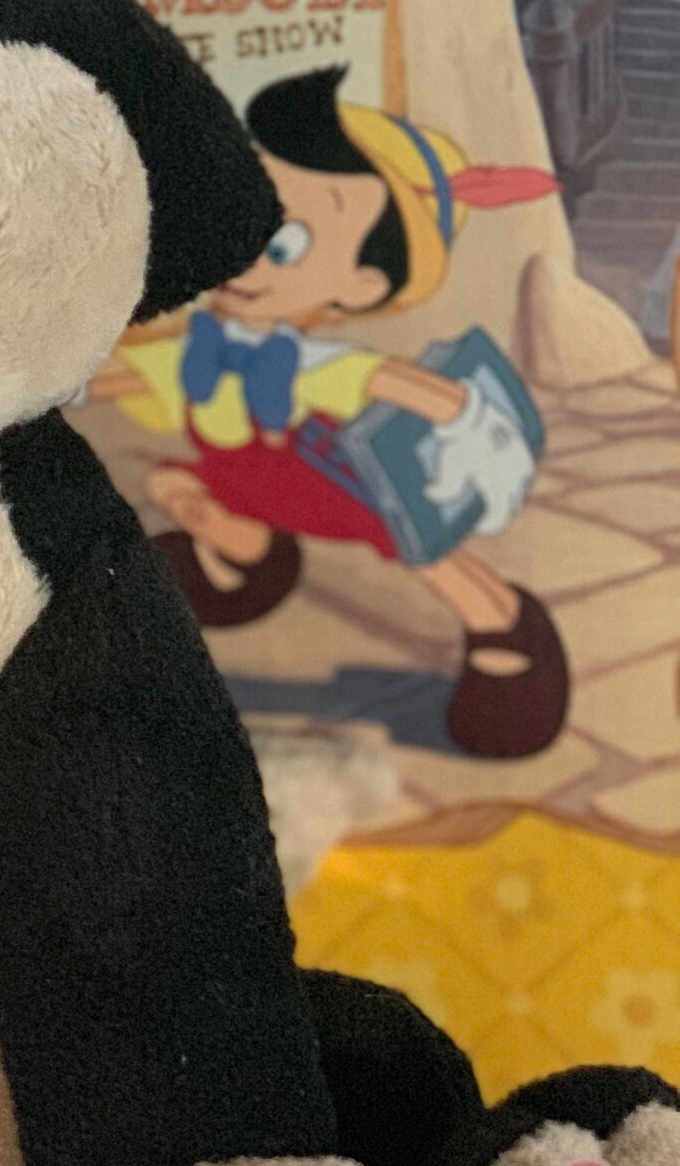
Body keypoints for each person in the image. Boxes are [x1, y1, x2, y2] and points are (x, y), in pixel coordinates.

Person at [84, 67, 568, 759]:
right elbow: (121, 377)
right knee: (170, 484)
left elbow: (400, 384)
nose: (245, 259)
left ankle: (507, 624)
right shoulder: (200, 351)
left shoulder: (313, 366)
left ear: (363, 284)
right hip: (249, 488)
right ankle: (239, 550)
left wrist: (472, 423)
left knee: (425, 551)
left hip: (338, 484)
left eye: (283, 243)